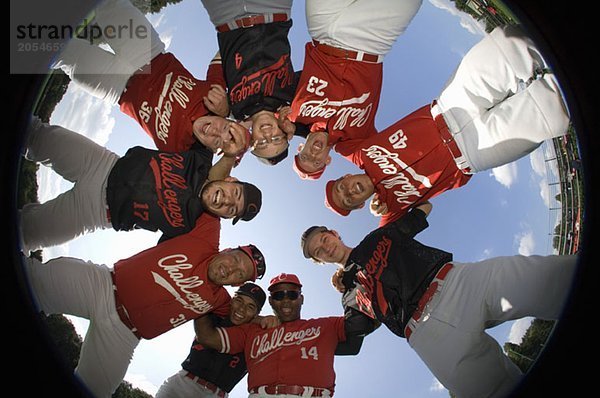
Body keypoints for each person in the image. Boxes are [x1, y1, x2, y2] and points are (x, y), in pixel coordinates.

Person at [300, 201, 578, 398]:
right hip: (426, 334)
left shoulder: (377, 237)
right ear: (320, 262)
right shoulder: (349, 297)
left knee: (550, 278)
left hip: (457, 283)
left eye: (324, 238)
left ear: (334, 233)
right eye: (318, 252)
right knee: (492, 391)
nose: (325, 247)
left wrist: (391, 200)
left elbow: (424, 209)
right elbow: (352, 337)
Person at [322, 25, 570, 226]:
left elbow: (323, 131)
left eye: (341, 187)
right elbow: (385, 242)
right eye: (348, 201)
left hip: (451, 105)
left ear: (345, 176)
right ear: (359, 205)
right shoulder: (390, 210)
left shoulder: (356, 151)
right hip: (476, 150)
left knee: (510, 43)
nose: (348, 193)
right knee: (554, 112)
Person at [21, 210, 267, 398]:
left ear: (236, 284)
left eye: (240, 275)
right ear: (227, 249)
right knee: (31, 281)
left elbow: (239, 315)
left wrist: (262, 320)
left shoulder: (221, 300)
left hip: (123, 336)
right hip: (103, 286)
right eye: (236, 259)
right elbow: (209, 189)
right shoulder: (206, 237)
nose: (232, 270)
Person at [20, 117, 261, 254]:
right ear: (232, 180)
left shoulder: (190, 228)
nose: (228, 202)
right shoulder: (201, 157)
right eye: (235, 194)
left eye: (232, 210)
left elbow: (163, 261)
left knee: (24, 233)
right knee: (34, 135)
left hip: (93, 213)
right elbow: (207, 117)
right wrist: (230, 154)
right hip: (100, 163)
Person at [52, 0, 247, 155]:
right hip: (147, 53)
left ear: (215, 151)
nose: (214, 132)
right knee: (108, 4)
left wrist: (231, 156)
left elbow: (210, 184)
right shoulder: (216, 97)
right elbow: (227, 49)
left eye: (218, 142)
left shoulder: (184, 154)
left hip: (116, 87)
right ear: (228, 120)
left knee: (63, 53)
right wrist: (229, 108)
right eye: (225, 128)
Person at [277, 0, 423, 180]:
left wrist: (291, 128)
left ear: (300, 148)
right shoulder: (355, 141)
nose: (313, 155)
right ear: (327, 161)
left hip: (323, 28)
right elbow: (380, 167)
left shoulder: (291, 115)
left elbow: (258, 120)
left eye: (305, 156)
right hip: (371, 39)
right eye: (317, 162)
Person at [193, 272, 379, 397]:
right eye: (279, 296)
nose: (286, 300)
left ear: (301, 298)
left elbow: (365, 323)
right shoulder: (253, 330)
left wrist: (357, 289)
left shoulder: (326, 325)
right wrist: (204, 298)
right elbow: (207, 337)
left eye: (292, 294)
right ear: (272, 302)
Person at [200, 0, 298, 166]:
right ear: (284, 131)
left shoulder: (232, 111)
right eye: (276, 138)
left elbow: (217, 65)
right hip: (273, 9)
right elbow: (324, 128)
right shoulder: (293, 97)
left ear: (252, 139)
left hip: (226, 16)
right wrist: (297, 127)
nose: (267, 135)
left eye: (262, 143)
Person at [155, 282, 267, 398]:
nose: (242, 309)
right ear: (232, 300)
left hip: (216, 394)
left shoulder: (258, 336)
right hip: (183, 384)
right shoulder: (215, 312)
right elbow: (205, 336)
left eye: (250, 307)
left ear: (256, 314)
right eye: (239, 300)